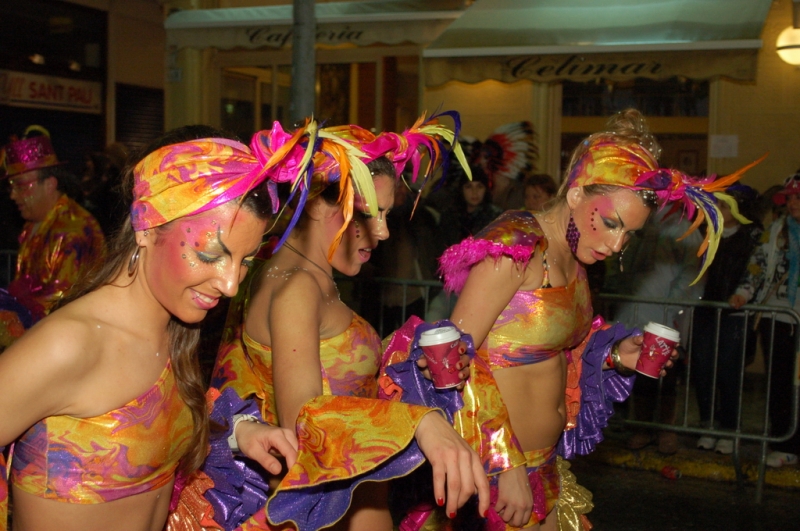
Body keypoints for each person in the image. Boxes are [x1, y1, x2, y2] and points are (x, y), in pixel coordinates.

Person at [431, 109, 758, 530]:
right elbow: (452, 360)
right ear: (575, 193)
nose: (616, 244)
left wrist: (616, 355)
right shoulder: (514, 248)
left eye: (629, 235)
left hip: (543, 466)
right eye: (610, 224)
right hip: (494, 471)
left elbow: (555, 345)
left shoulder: (574, 254)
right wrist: (503, 462)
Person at [190, 114, 490, 531]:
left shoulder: (288, 274)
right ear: (316, 203)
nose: (382, 232)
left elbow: (337, 376)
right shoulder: (298, 288)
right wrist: (420, 422)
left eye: (386, 214)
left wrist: (409, 365)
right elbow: (305, 420)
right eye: (367, 214)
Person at [0, 124, 305, 531]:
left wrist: (236, 434)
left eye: (245, 262)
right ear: (146, 228)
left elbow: (141, 433)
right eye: (210, 254)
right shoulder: (70, 345)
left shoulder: (175, 332)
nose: (231, 285)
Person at [613, 209, 704, 455]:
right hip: (634, 313)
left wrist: (674, 307)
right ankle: (641, 428)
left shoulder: (684, 230)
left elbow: (691, 273)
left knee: (665, 375)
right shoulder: (641, 225)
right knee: (638, 372)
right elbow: (625, 265)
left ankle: (666, 430)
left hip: (665, 316)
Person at [2, 126, 106, 326]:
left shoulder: (71, 231)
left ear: (49, 184)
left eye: (21, 186)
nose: (13, 195)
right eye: (11, 187)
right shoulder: (33, 226)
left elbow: (62, 307)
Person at [730, 172, 800, 467]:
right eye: (791, 198)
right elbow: (757, 267)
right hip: (777, 317)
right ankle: (784, 443)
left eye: (798, 197)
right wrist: (743, 294)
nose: (793, 203)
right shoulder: (776, 231)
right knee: (780, 382)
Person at [692, 187, 762, 455]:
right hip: (709, 309)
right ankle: (708, 424)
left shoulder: (753, 236)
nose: (718, 210)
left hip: (734, 313)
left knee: (728, 371)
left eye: (723, 205)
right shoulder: (710, 234)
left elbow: (755, 271)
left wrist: (741, 295)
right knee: (703, 368)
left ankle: (729, 427)